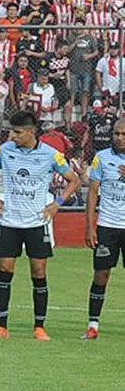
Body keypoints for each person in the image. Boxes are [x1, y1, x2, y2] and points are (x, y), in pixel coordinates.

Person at [0, 110, 77, 340]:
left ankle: (39, 328)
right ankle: (1, 327)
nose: (13, 136)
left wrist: (57, 204)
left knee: (39, 271)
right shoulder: (5, 150)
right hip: (9, 222)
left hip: (36, 222)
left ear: (31, 132)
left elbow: (74, 180)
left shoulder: (50, 154)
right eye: (12, 132)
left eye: (17, 132)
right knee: (5, 271)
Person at [84, 118, 125, 340]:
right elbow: (92, 192)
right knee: (101, 274)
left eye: (123, 134)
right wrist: (90, 226)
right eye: (116, 134)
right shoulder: (102, 157)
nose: (119, 138)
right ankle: (93, 325)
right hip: (107, 225)